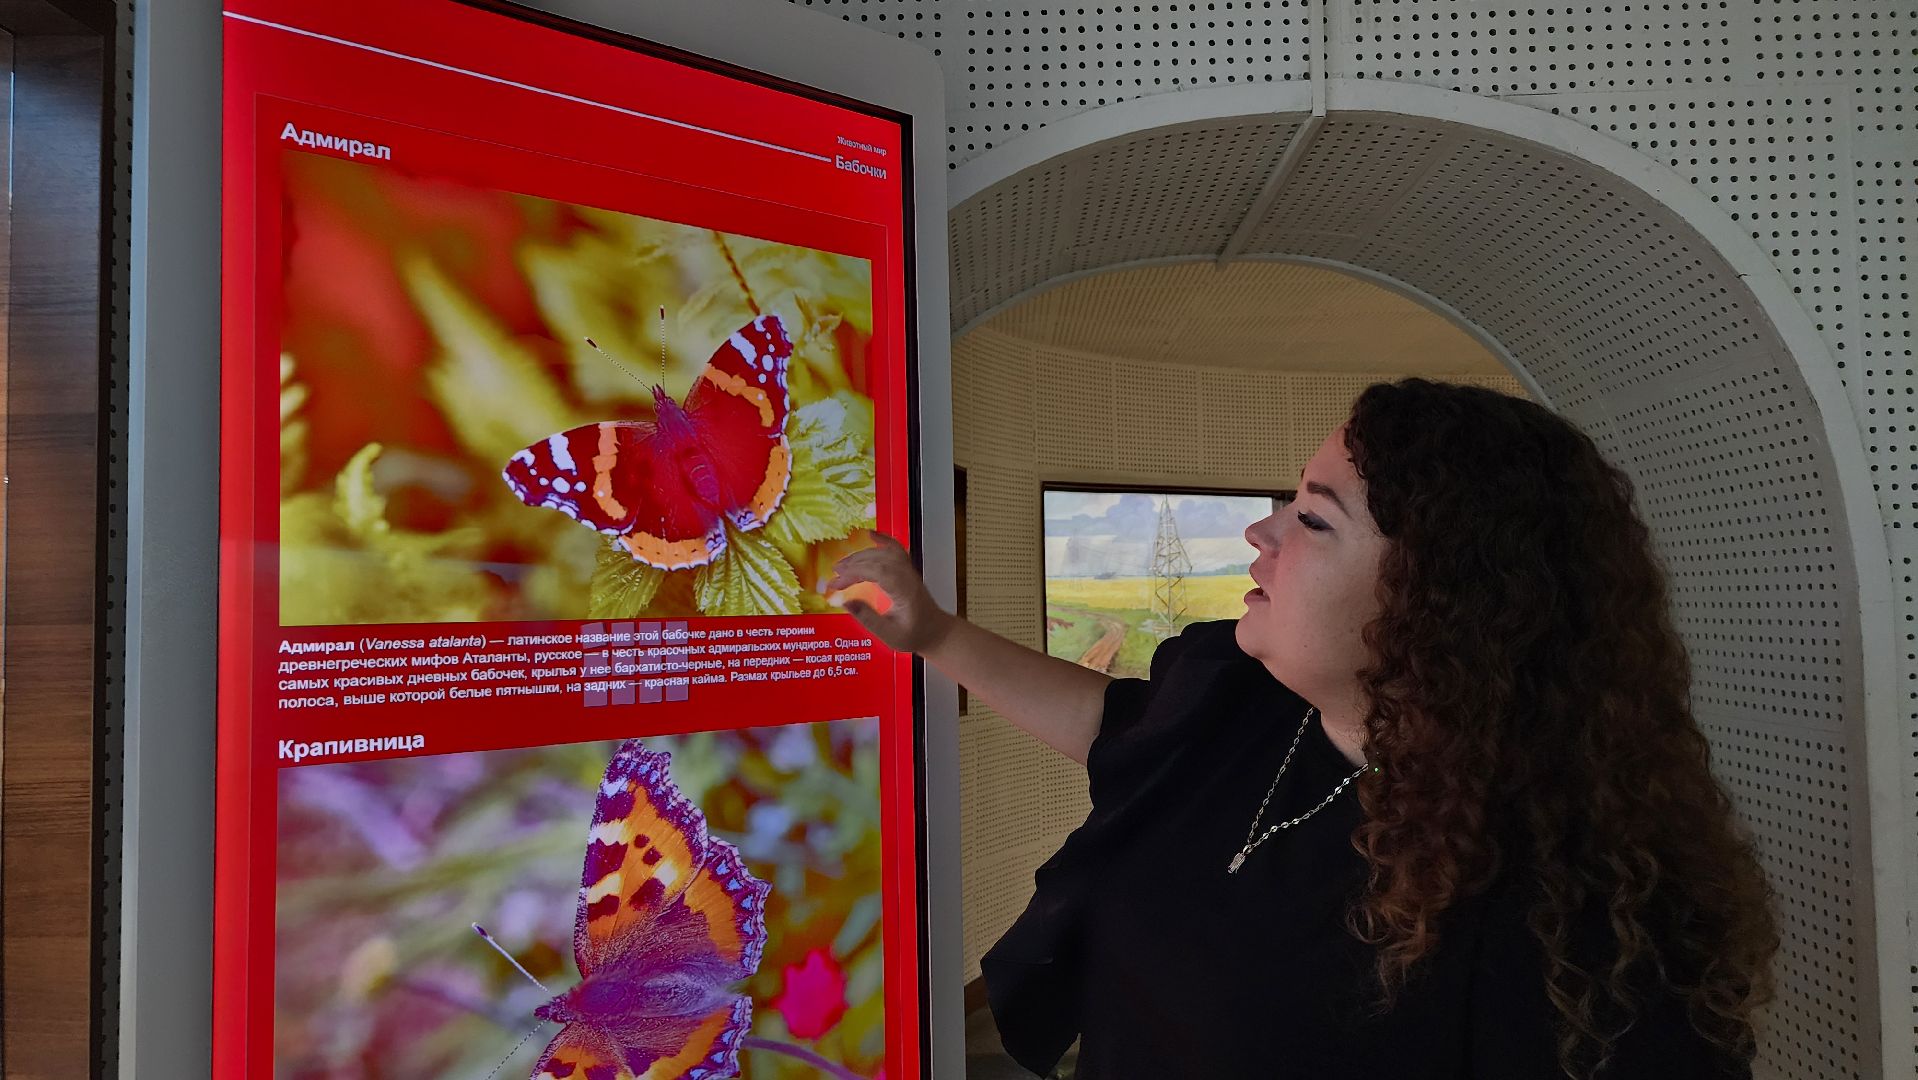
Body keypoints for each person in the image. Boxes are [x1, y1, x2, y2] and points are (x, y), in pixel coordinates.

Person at [828, 378, 1780, 1079]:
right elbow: (1111, 729)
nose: (1263, 533)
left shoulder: (1573, 913)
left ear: (1438, 600)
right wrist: (934, 635)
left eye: (1314, 519)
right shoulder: (1243, 699)